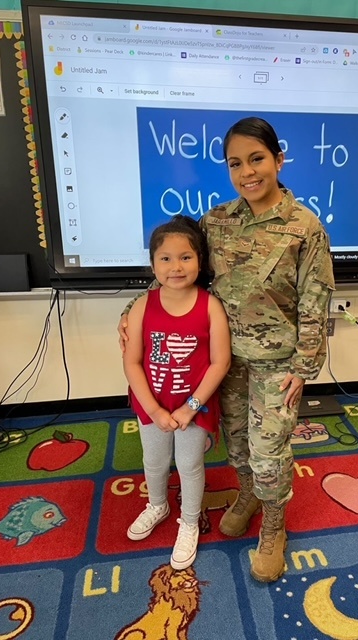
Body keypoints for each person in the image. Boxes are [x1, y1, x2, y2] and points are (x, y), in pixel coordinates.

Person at [119, 117, 334, 582]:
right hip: (222, 362)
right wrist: (133, 309)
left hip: (278, 362)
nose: (247, 172)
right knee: (235, 445)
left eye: (257, 159)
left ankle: (274, 527)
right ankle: (247, 494)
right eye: (235, 163)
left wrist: (305, 366)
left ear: (278, 159)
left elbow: (317, 298)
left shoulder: (305, 227)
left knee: (268, 449)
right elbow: (174, 265)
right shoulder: (216, 221)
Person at [123, 214, 230, 571]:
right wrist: (154, 411)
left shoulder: (210, 306)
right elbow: (133, 362)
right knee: (153, 462)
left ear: (200, 261)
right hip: (151, 406)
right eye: (165, 258)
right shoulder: (142, 305)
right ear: (153, 263)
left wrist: (190, 407)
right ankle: (157, 504)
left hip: (193, 408)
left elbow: (219, 363)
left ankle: (188, 520)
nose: (175, 266)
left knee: (188, 464)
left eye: (185, 257)